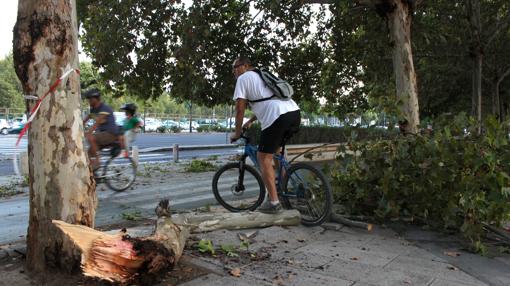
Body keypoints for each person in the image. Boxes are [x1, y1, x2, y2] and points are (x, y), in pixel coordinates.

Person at [230, 56, 301, 214]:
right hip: (294, 113)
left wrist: (237, 132)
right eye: (233, 68)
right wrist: (250, 121)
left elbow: (239, 108)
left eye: (236, 67)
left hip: (277, 118)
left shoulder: (243, 78)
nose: (234, 71)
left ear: (246, 65)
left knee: (263, 157)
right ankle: (287, 187)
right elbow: (268, 100)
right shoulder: (262, 75)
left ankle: (274, 203)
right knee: (276, 154)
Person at [82, 88, 122, 169]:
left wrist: (88, 133)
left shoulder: (104, 108)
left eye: (90, 99)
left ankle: (98, 161)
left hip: (110, 134)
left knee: (91, 137)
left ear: (96, 99)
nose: (89, 101)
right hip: (102, 135)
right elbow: (88, 117)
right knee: (87, 155)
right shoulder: (93, 109)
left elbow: (97, 122)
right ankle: (94, 175)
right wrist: (80, 126)